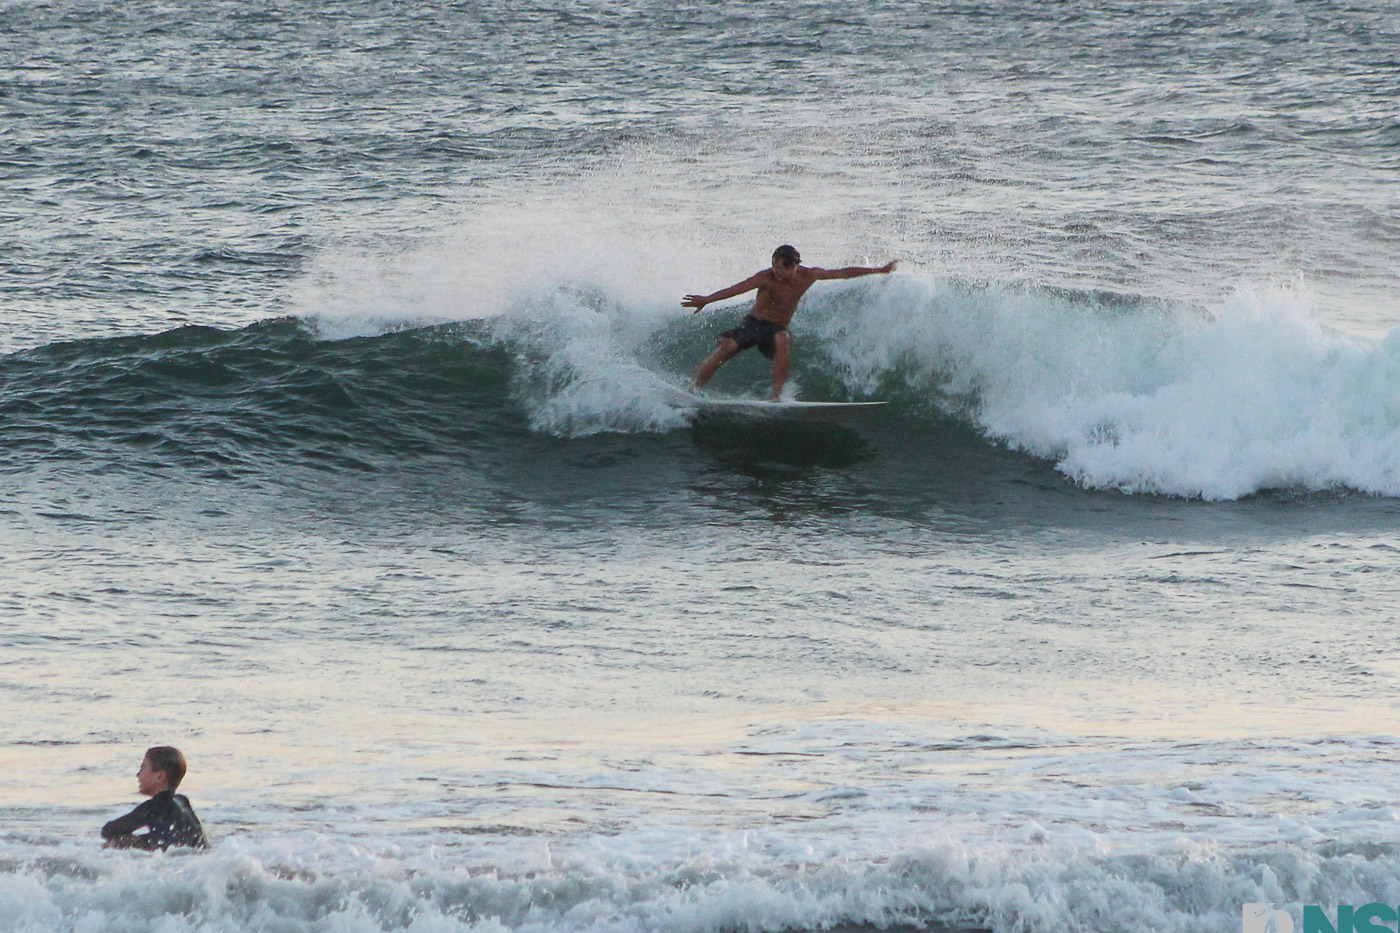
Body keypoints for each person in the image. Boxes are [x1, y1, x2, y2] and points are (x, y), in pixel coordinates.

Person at [683, 245, 898, 400]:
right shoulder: (765, 277)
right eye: (773, 266)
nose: (775, 271)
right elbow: (737, 289)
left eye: (780, 268)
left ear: (793, 266)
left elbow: (843, 273)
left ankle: (775, 397)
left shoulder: (809, 276)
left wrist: (879, 270)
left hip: (776, 327)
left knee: (783, 339)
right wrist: (707, 299)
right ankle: (694, 389)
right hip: (753, 323)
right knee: (728, 346)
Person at [101, 746, 209, 850]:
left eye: (142, 768)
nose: (138, 774)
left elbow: (108, 831)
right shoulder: (182, 800)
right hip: (197, 856)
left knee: (114, 844)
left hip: (175, 858)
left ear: (159, 776)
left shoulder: (154, 806)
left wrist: (125, 842)